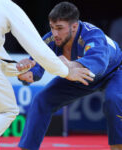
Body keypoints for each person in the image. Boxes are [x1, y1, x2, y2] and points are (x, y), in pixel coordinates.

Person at [0, 0, 93, 150]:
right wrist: (66, 71)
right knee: (6, 110)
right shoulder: (5, 5)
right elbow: (36, 46)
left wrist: (18, 68)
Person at [17, 2, 122, 150]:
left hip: (114, 72)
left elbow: (98, 63)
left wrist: (69, 66)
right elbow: (37, 64)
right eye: (52, 27)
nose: (55, 33)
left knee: (115, 99)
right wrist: (27, 73)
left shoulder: (92, 34)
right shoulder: (51, 39)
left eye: (60, 28)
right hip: (77, 76)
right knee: (42, 99)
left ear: (74, 26)